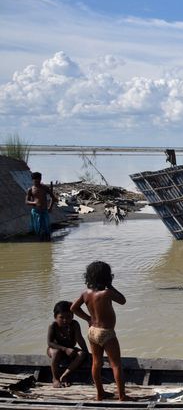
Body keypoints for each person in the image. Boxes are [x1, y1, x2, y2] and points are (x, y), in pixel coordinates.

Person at [71, 261, 130, 401]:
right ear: (107, 277)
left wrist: (87, 319)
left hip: (92, 331)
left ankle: (100, 393)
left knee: (96, 363)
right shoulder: (107, 292)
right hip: (106, 332)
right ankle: (122, 396)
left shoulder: (86, 293)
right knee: (116, 364)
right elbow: (123, 300)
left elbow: (73, 308)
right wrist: (110, 285)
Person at [47, 300, 89, 388]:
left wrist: (87, 353)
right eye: (61, 317)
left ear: (73, 316)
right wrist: (65, 349)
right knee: (56, 352)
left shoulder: (74, 324)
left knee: (82, 354)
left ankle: (64, 376)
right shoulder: (53, 326)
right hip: (55, 348)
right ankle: (55, 379)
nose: (65, 320)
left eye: (68, 317)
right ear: (55, 317)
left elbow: (80, 339)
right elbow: (50, 343)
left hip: (70, 349)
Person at [25, 171, 57, 241]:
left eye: (39, 179)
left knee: (47, 230)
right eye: (36, 180)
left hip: (44, 211)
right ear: (33, 180)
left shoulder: (45, 188)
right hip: (35, 212)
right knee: (38, 230)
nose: (38, 181)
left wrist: (50, 207)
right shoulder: (30, 190)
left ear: (41, 179)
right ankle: (41, 243)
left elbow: (53, 198)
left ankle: (47, 246)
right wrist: (34, 203)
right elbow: (26, 201)